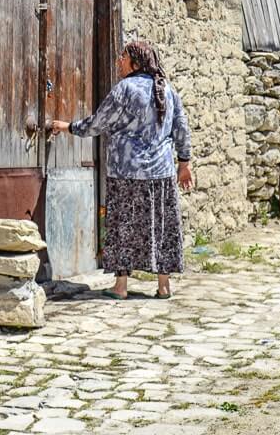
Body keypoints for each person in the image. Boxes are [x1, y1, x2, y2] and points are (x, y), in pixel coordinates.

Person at [52, 40, 193, 300]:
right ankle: (163, 286)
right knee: (160, 226)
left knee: (123, 227)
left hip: (126, 173)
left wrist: (69, 127)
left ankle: (121, 286)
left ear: (136, 63)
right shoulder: (168, 90)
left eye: (123, 56)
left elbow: (98, 123)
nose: (119, 60)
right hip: (161, 174)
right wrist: (184, 164)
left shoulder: (125, 89)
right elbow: (182, 129)